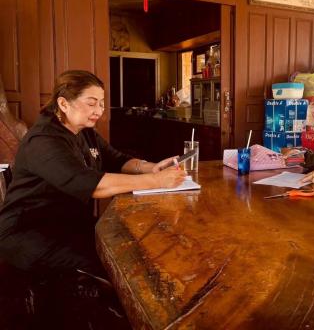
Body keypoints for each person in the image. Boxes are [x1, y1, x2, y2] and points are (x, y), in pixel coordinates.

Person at [0, 70, 185, 326]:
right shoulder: (43, 139)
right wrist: (156, 182)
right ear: (63, 103)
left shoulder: (84, 131)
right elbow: (88, 184)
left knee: (130, 246)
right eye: (91, 103)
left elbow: (117, 159)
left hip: (69, 224)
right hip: (29, 231)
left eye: (101, 103)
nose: (99, 110)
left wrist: (151, 168)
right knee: (111, 263)